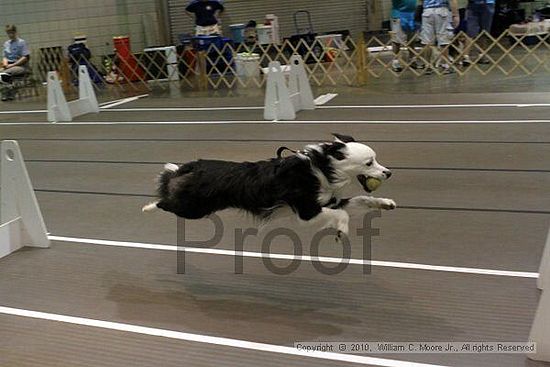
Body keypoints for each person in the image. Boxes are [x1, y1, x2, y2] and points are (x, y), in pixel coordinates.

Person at [418, 0, 460, 74]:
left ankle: (427, 66)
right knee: (444, 40)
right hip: (442, 10)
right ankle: (446, 65)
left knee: (427, 41)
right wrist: (455, 14)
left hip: (427, 11)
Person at [390, 0, 424, 71]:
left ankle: (412, 60)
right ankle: (395, 61)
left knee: (412, 40)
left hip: (412, 15)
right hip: (398, 15)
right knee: (397, 40)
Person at [1, 25, 30, 101]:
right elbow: (4, 56)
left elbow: (25, 57)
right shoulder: (6, 44)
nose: (10, 35)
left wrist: (12, 65)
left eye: (11, 33)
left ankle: (9, 92)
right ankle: (8, 89)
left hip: (20, 65)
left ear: (15, 32)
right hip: (9, 65)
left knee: (5, 73)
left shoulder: (21, 42)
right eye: (8, 33)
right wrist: (5, 63)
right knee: (2, 72)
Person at [463, 0, 495, 64]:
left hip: (488, 4)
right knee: (470, 31)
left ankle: (482, 56)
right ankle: (466, 57)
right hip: (472, 4)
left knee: (484, 32)